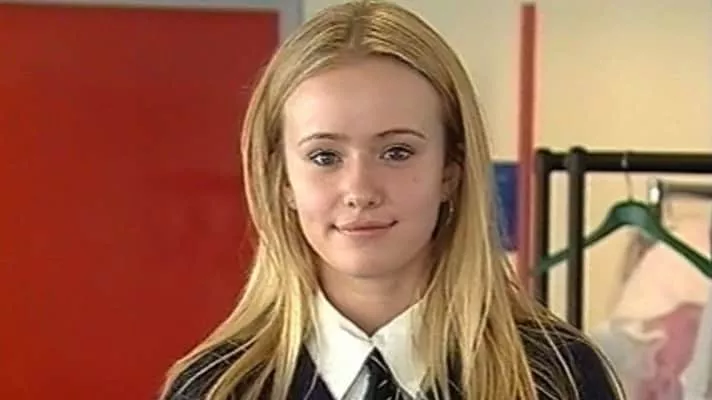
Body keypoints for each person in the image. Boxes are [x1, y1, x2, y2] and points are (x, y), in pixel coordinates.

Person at [160, 1, 625, 399]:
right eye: (325, 157)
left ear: (451, 170)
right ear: (282, 180)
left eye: (397, 152)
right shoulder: (216, 388)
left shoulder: (558, 377)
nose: (360, 191)